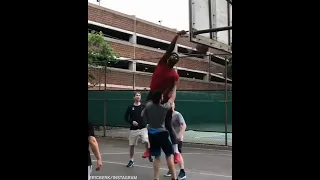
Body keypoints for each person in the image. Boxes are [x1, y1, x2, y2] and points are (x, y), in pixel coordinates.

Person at [145, 30, 187, 164]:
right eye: (171, 56)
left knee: (168, 124)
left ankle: (176, 152)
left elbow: (171, 89)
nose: (171, 58)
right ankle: (151, 148)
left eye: (174, 58)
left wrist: (166, 101)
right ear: (168, 58)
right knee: (149, 123)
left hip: (162, 96)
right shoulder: (162, 62)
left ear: (174, 62)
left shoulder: (174, 75)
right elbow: (169, 48)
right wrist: (176, 36)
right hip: (153, 94)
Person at [143, 87, 178, 180]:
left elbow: (142, 115)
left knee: (157, 156)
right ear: (160, 98)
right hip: (162, 133)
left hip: (151, 133)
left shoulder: (148, 105)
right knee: (169, 155)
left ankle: (156, 177)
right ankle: (174, 177)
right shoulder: (164, 107)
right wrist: (174, 88)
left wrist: (148, 121)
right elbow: (172, 99)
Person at [124, 92, 153, 167]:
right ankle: (131, 160)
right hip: (133, 129)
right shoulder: (130, 107)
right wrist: (131, 121)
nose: (138, 96)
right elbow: (126, 118)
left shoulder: (143, 106)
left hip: (143, 128)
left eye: (139, 95)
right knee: (132, 145)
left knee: (146, 140)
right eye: (136, 95)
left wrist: (148, 123)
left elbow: (149, 115)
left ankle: (148, 152)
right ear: (134, 97)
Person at [164, 102, 187, 180]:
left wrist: (179, 135)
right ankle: (171, 170)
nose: (170, 105)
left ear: (174, 105)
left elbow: (183, 125)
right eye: (169, 104)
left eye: (172, 104)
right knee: (168, 154)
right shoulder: (166, 115)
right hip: (169, 138)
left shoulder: (177, 114)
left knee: (178, 153)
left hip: (177, 138)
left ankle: (182, 171)